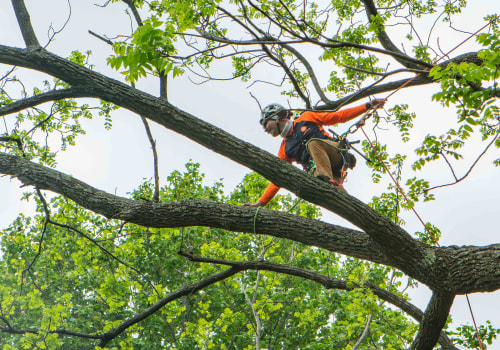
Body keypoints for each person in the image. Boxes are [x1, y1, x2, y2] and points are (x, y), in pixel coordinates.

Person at [243, 98, 386, 208]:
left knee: (313, 143)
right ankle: (357, 210)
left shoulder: (307, 118)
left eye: (265, 123)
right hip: (320, 171)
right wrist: (260, 203)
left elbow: (339, 117)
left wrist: (367, 106)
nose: (265, 129)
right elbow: (277, 179)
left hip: (334, 154)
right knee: (342, 200)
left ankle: (324, 178)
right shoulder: (285, 149)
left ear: (277, 117)